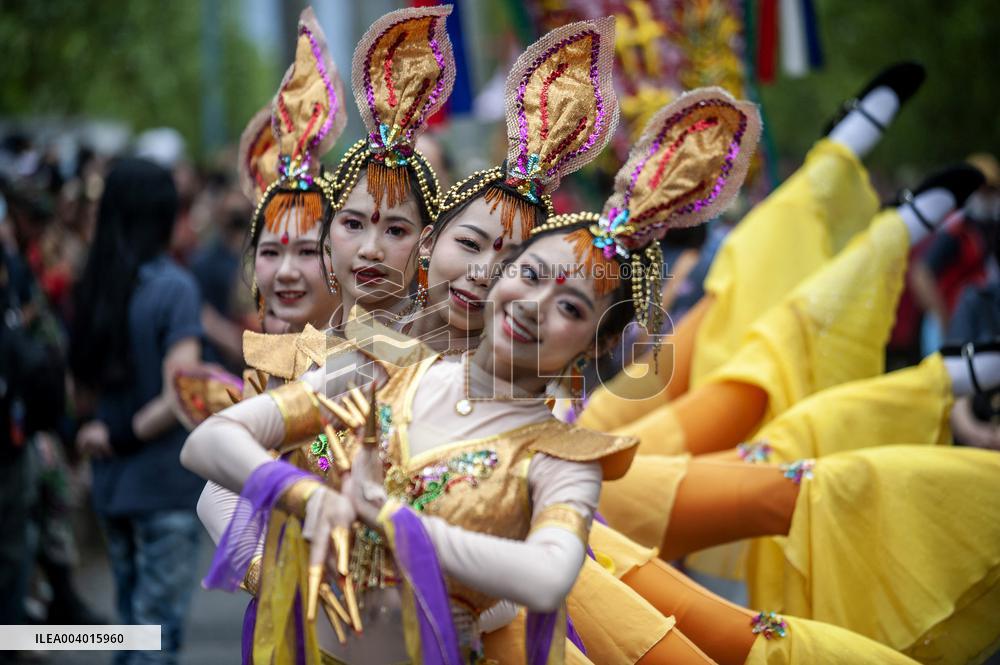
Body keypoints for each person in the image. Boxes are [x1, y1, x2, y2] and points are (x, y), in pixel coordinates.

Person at [69, 158, 203, 664]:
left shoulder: (93, 286)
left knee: (127, 634)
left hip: (110, 487)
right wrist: (126, 434)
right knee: (156, 639)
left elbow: (79, 388)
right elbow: (181, 391)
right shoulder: (175, 288)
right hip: (163, 487)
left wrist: (100, 434)